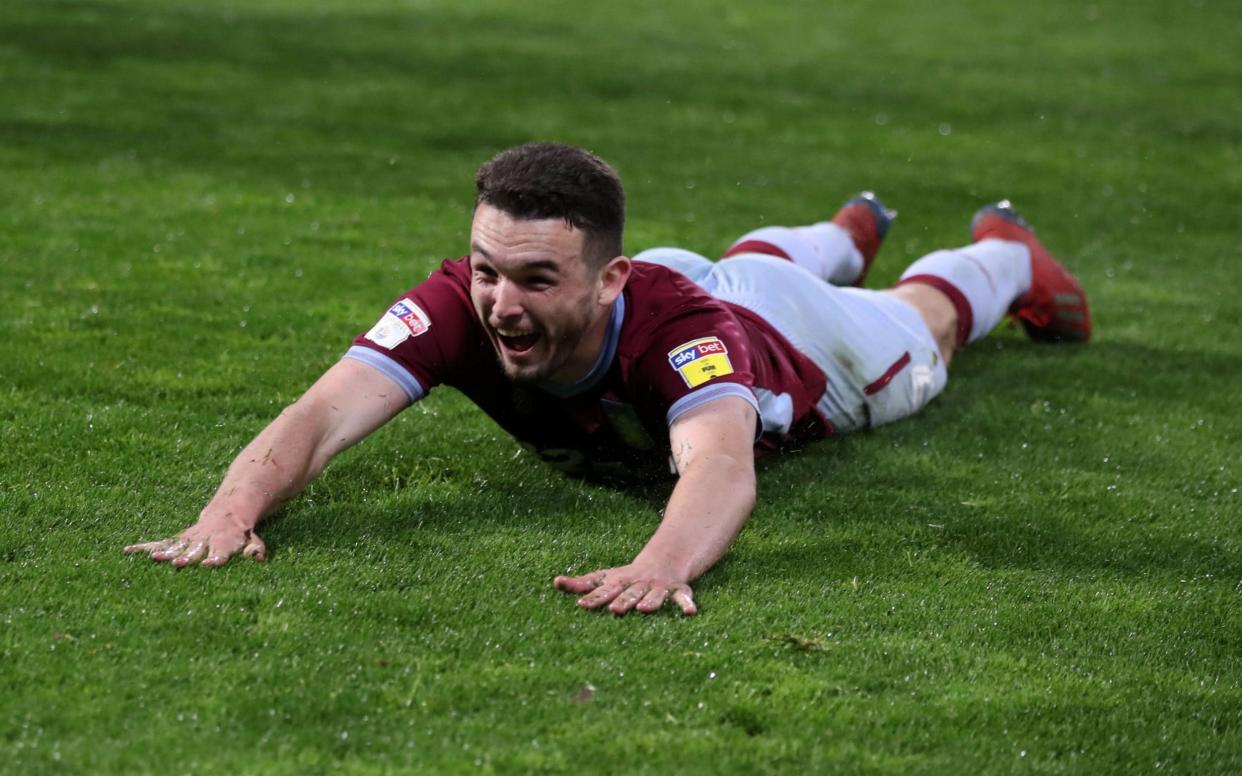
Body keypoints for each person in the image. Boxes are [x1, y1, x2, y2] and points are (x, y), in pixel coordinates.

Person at [125, 142, 1091, 616]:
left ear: (607, 278)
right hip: (694, 280)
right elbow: (323, 411)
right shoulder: (464, 300)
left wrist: (659, 564)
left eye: (535, 279)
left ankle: (1003, 251)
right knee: (745, 258)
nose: (500, 302)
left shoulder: (681, 337)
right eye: (488, 267)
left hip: (793, 335)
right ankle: (847, 231)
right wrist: (229, 511)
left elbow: (717, 465)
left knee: (923, 330)